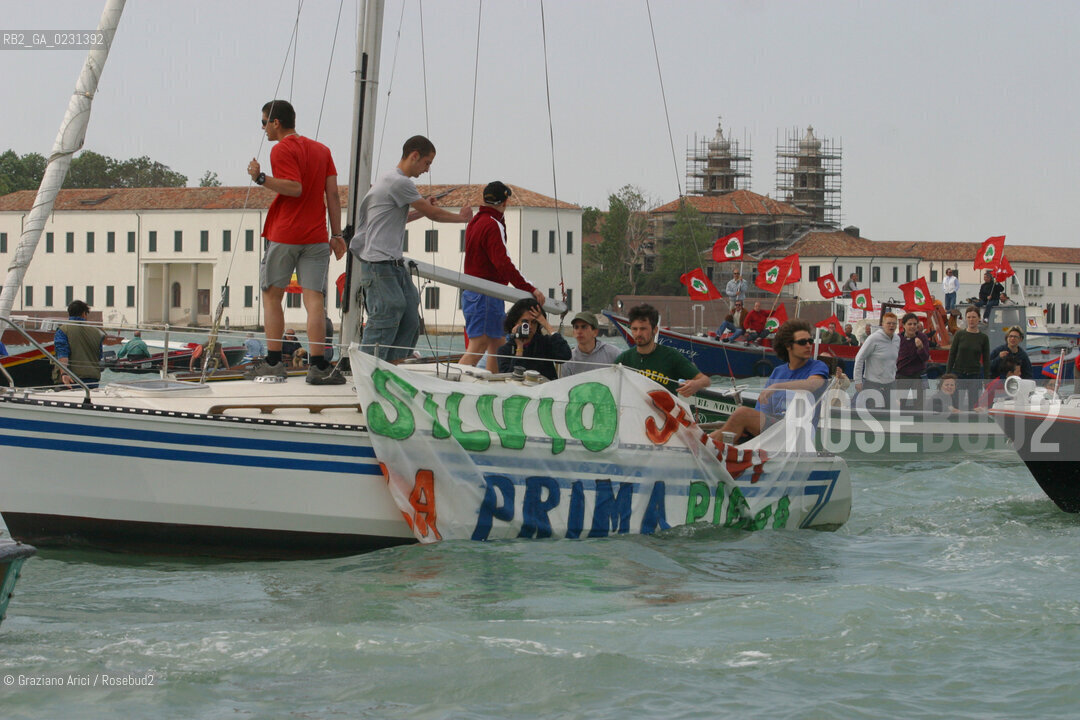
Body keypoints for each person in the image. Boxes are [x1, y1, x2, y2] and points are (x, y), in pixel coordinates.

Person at [245, 99, 345, 385]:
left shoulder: (281, 149)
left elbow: (294, 187)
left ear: (276, 123)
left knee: (272, 296)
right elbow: (333, 196)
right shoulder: (323, 150)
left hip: (286, 233)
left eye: (264, 122)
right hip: (316, 236)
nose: (263, 129)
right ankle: (318, 367)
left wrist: (261, 177)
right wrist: (336, 235)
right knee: (315, 301)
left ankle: (274, 363)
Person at [351, 135, 473, 362]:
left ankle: (393, 365)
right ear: (414, 156)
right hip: (379, 263)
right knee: (387, 314)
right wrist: (462, 219)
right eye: (427, 163)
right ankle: (366, 371)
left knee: (410, 318)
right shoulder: (400, 182)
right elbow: (434, 215)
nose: (427, 170)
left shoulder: (389, 181)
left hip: (393, 263)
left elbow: (395, 218)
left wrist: (421, 207)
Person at [460, 181, 544, 372]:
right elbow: (502, 263)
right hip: (487, 293)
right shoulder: (492, 224)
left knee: (497, 343)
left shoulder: (475, 222)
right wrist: (528, 288)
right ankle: (450, 386)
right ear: (505, 201)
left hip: (478, 293)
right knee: (479, 345)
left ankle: (492, 386)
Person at [709, 319, 830, 442]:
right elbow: (763, 411)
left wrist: (776, 386)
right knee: (718, 432)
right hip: (774, 432)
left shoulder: (818, 366)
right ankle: (706, 450)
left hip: (797, 435)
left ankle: (714, 452)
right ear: (788, 346)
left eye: (810, 341)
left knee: (741, 414)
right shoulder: (778, 372)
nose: (808, 345)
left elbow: (813, 384)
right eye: (803, 342)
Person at [616, 304, 710, 397]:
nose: (638, 333)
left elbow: (705, 380)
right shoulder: (624, 359)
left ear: (655, 330)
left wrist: (696, 384)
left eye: (643, 329)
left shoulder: (671, 356)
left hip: (664, 411)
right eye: (634, 329)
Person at [495, 298, 571, 380]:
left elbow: (565, 355)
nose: (530, 326)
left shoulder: (545, 343)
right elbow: (509, 379)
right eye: (525, 322)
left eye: (534, 322)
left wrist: (546, 325)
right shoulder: (504, 350)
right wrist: (519, 348)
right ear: (515, 322)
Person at [945, 306, 990, 410]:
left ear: (979, 318)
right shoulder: (959, 334)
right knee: (956, 404)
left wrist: (987, 378)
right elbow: (952, 355)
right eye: (968, 317)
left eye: (974, 317)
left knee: (973, 406)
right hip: (958, 374)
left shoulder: (983, 338)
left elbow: (986, 360)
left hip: (974, 376)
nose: (971, 320)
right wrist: (948, 375)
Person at [53, 299, 105, 389]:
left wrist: (64, 374)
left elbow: (62, 354)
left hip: (71, 379)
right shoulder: (97, 332)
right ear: (84, 314)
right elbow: (99, 356)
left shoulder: (63, 330)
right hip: (93, 379)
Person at [853, 312, 899, 405]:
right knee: (873, 414)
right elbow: (859, 358)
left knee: (889, 414)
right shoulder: (873, 338)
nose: (891, 326)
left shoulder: (897, 339)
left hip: (890, 384)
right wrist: (858, 381)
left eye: (894, 323)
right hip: (872, 384)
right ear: (882, 324)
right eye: (888, 323)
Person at [561, 311, 621, 377]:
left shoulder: (613, 353)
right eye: (576, 327)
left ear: (595, 332)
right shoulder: (569, 360)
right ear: (573, 332)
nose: (579, 331)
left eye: (584, 327)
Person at [895, 312, 931, 408]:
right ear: (904, 325)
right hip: (902, 375)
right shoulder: (898, 338)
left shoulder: (922, 337)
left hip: (919, 375)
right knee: (900, 404)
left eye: (915, 324)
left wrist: (920, 348)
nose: (912, 327)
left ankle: (918, 421)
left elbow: (926, 358)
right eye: (909, 324)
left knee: (919, 404)